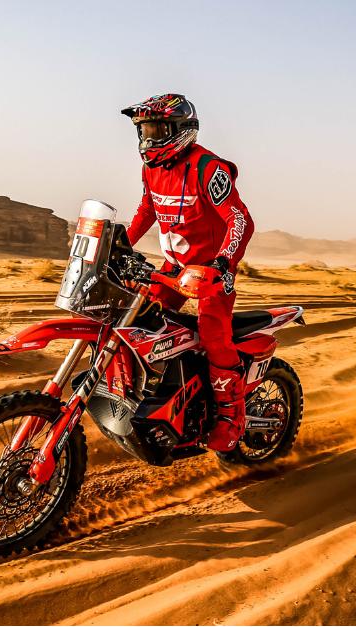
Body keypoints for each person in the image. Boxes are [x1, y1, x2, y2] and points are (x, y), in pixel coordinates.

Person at [121, 93, 255, 452]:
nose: (148, 139)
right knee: (139, 319)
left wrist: (225, 261)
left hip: (210, 274)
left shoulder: (208, 168)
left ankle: (231, 415)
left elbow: (239, 218)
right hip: (173, 269)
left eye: (155, 129)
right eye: (143, 131)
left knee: (214, 334)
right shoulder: (152, 168)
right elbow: (146, 211)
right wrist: (119, 245)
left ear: (180, 129)